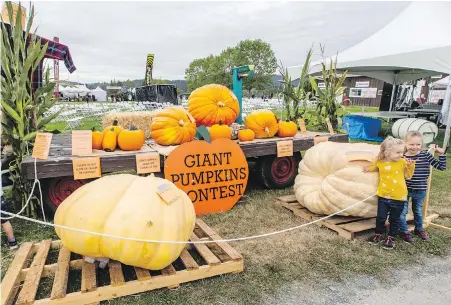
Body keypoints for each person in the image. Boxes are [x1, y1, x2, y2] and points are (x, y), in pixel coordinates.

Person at [363, 137, 415, 250]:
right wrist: (369, 168)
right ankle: (378, 235)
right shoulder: (381, 162)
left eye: (402, 152)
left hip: (399, 197)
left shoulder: (402, 162)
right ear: (387, 152)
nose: (401, 155)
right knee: (381, 217)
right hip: (383, 195)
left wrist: (411, 166)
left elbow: (408, 176)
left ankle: (391, 238)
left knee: (394, 219)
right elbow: (375, 166)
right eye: (398, 152)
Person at [400, 131, 446, 243]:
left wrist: (441, 155)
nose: (414, 147)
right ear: (405, 143)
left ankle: (419, 229)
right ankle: (404, 232)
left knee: (418, 211)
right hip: (404, 190)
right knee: (402, 212)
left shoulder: (426, 155)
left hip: (420, 189)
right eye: (411, 144)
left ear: (421, 145)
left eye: (418, 144)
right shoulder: (401, 157)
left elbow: (441, 167)